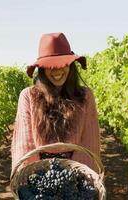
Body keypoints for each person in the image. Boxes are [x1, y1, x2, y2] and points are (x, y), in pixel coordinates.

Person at [11, 32, 101, 175]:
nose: (57, 70)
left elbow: (89, 144)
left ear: (71, 66)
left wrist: (76, 179)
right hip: (39, 174)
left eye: (63, 64)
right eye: (50, 66)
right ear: (41, 69)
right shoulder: (28, 96)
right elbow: (25, 146)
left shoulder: (85, 96)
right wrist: (35, 180)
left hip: (76, 173)